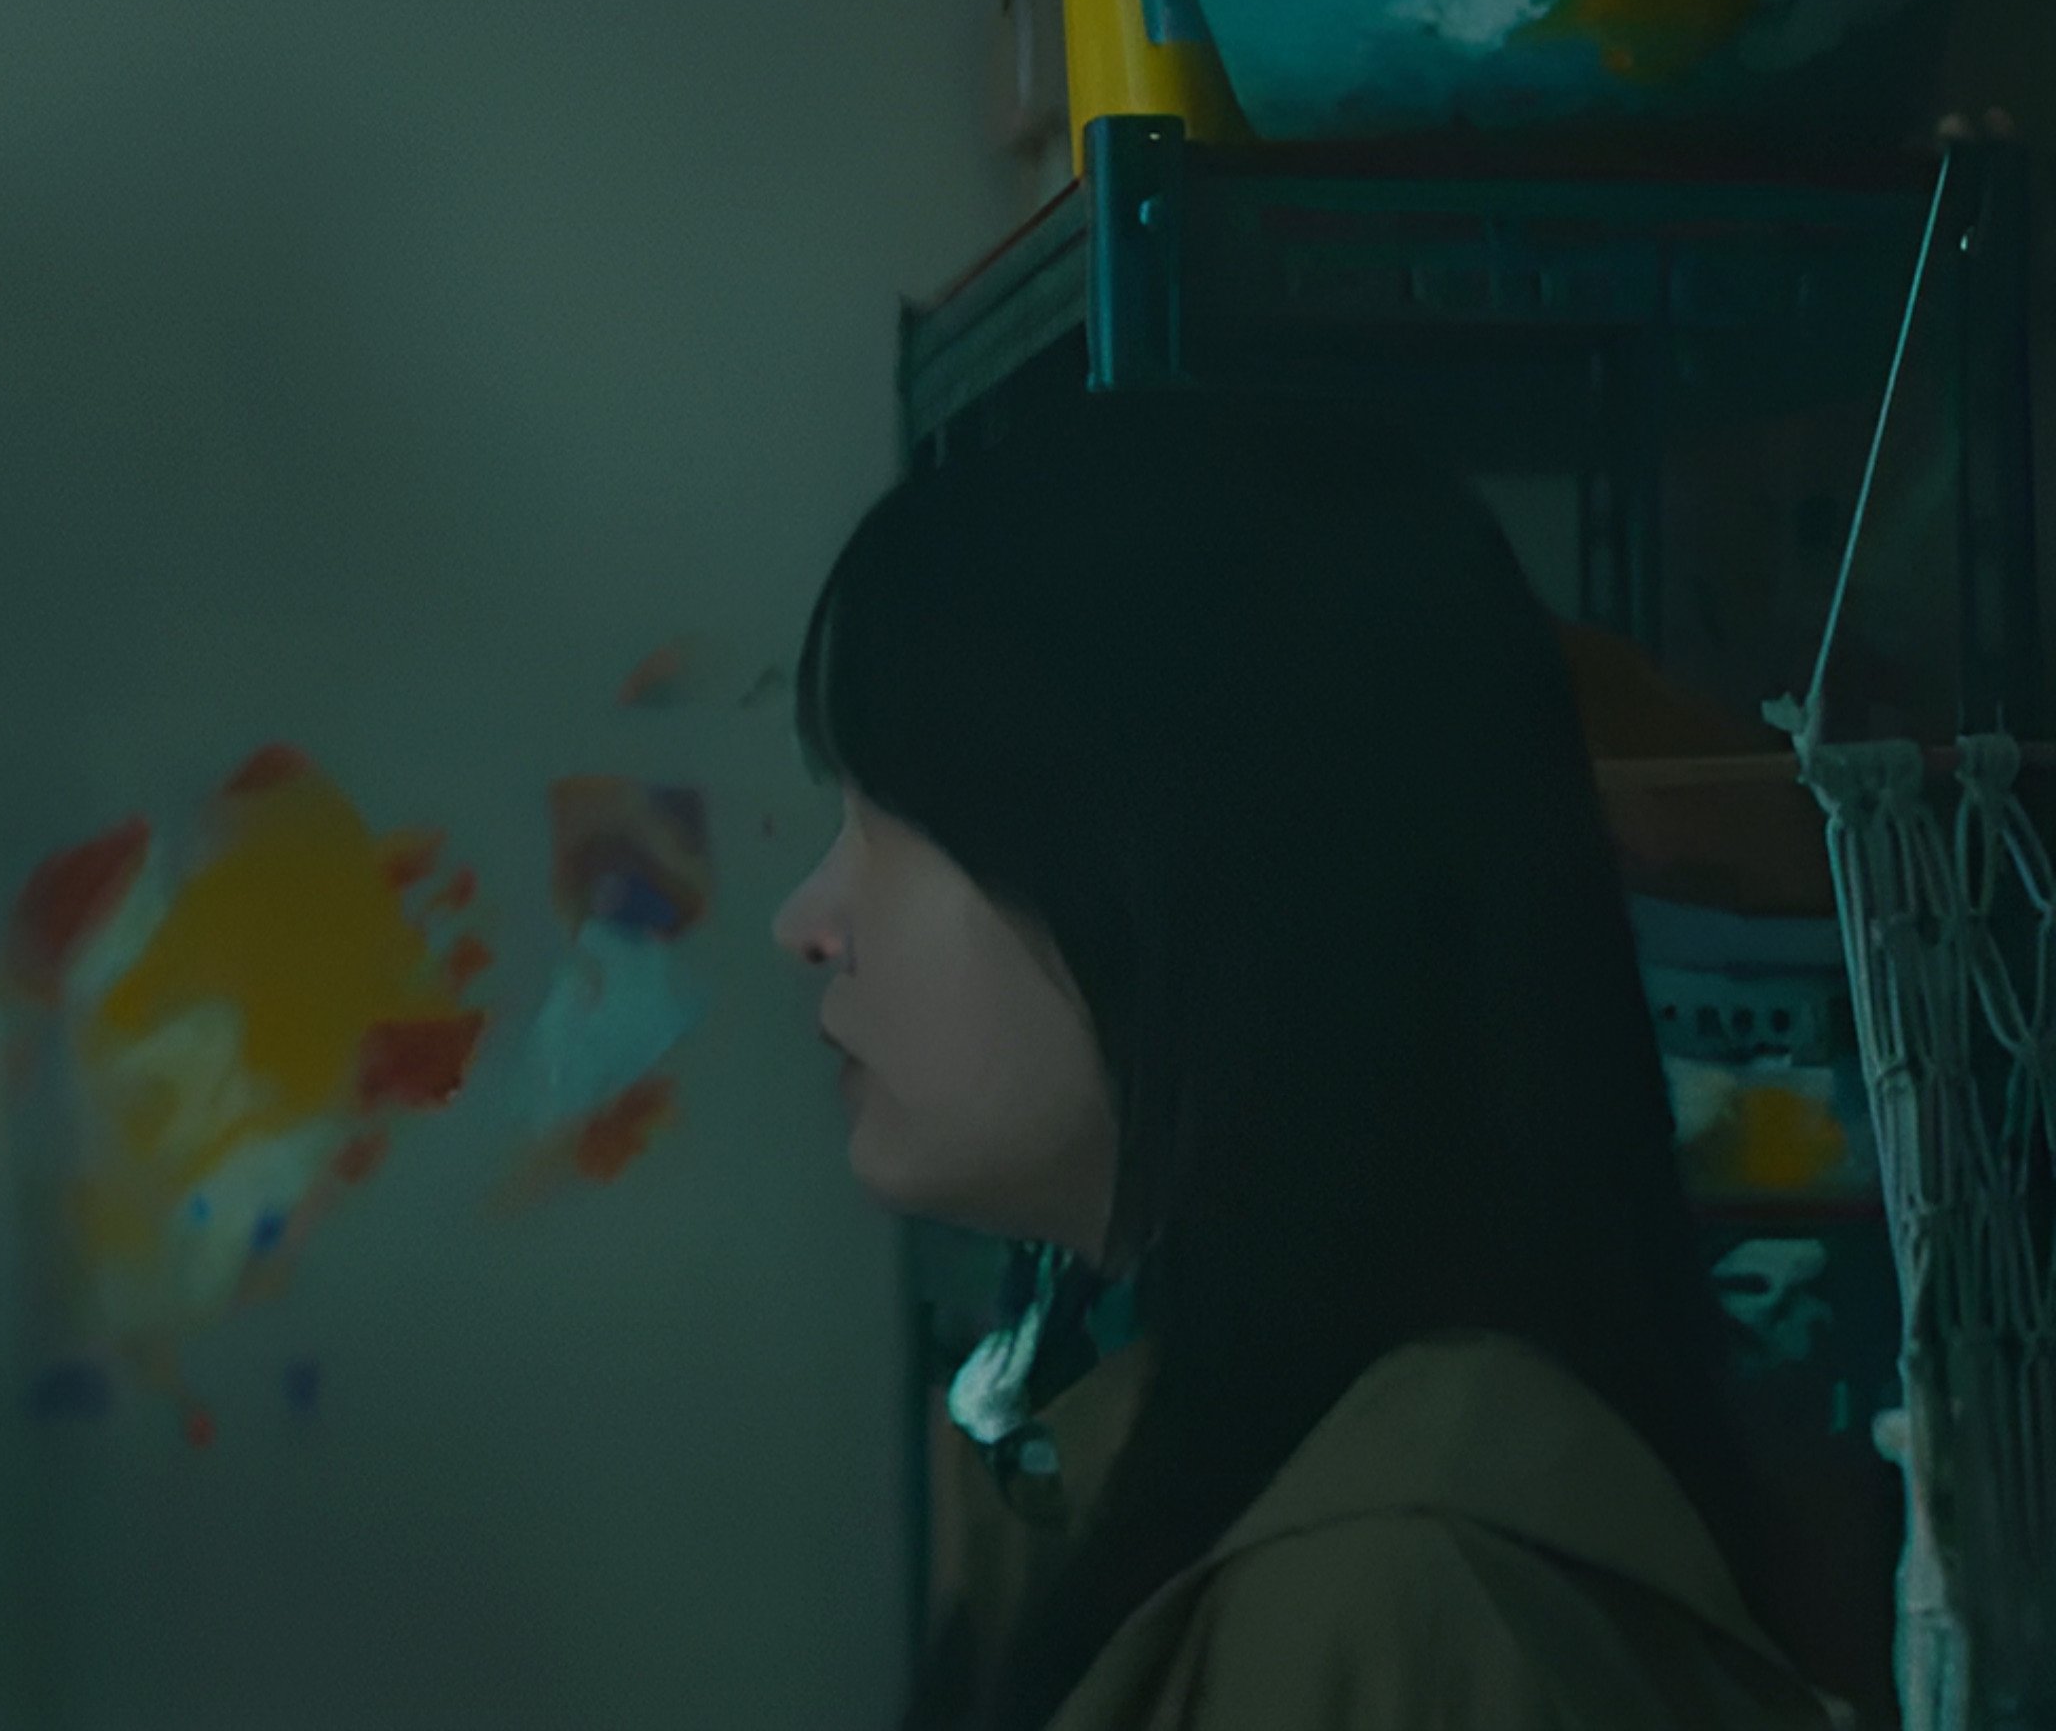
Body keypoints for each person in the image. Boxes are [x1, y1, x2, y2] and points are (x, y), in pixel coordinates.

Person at [771, 394, 1834, 1731]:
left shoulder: (1399, 1597)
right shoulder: (1204, 1491)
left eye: (893, 815)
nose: (806, 923)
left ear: (1193, 869)